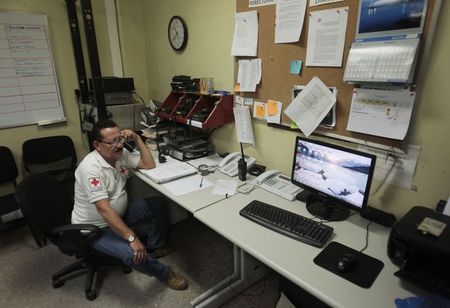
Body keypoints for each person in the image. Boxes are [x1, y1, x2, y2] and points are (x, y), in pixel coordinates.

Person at [71, 119, 187, 290]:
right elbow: (103, 209)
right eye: (113, 141)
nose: (119, 145)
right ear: (97, 145)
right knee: (132, 253)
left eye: (121, 139)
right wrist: (131, 238)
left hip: (120, 214)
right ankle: (164, 273)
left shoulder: (119, 155)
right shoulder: (90, 168)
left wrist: (137, 139)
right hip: (96, 228)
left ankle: (155, 246)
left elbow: (149, 164)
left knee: (158, 203)